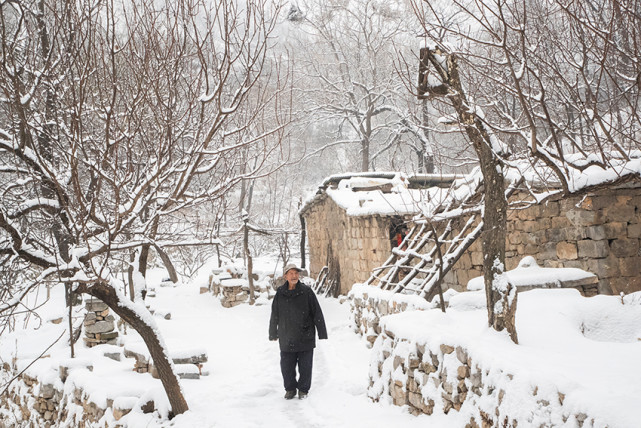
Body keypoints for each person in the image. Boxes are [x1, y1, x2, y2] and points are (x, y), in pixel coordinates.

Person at [269, 263, 328, 400]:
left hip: (305, 335)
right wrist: (273, 332)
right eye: (291, 273)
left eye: (296, 273)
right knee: (286, 366)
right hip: (286, 336)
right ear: (285, 276)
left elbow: (316, 312)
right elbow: (275, 314)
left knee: (305, 366)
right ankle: (290, 389)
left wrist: (322, 332)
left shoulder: (306, 292)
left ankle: (303, 389)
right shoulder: (280, 293)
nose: (294, 276)